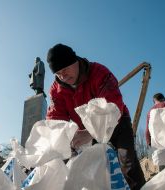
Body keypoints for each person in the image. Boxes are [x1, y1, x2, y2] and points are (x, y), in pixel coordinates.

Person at [46, 43, 145, 190]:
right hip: (86, 129)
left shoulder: (99, 72)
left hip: (117, 121)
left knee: (127, 162)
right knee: (93, 166)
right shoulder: (56, 90)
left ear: (75, 61)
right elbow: (56, 119)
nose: (63, 76)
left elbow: (113, 105)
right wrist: (61, 140)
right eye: (58, 73)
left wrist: (91, 132)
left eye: (65, 69)